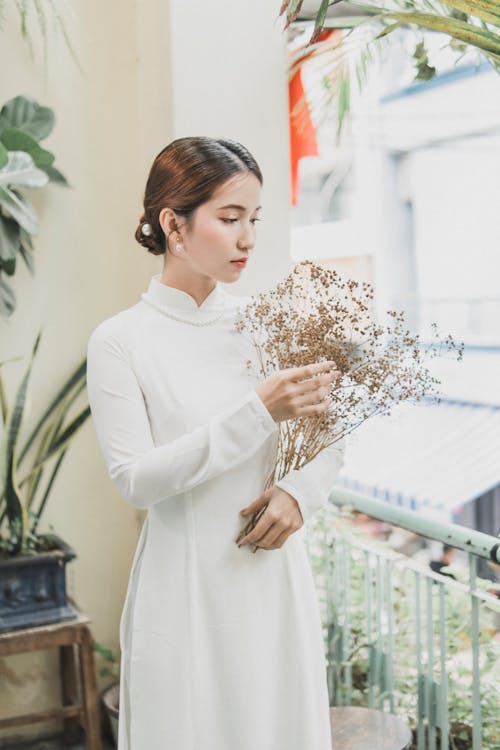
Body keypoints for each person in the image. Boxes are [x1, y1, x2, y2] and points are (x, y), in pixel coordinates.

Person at [86, 136, 346, 750]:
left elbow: (328, 436)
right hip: (186, 589)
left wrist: (299, 493)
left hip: (271, 580)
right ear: (174, 224)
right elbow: (136, 479)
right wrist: (257, 411)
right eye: (230, 220)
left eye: (254, 219)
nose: (248, 239)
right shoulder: (121, 341)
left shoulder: (270, 323)